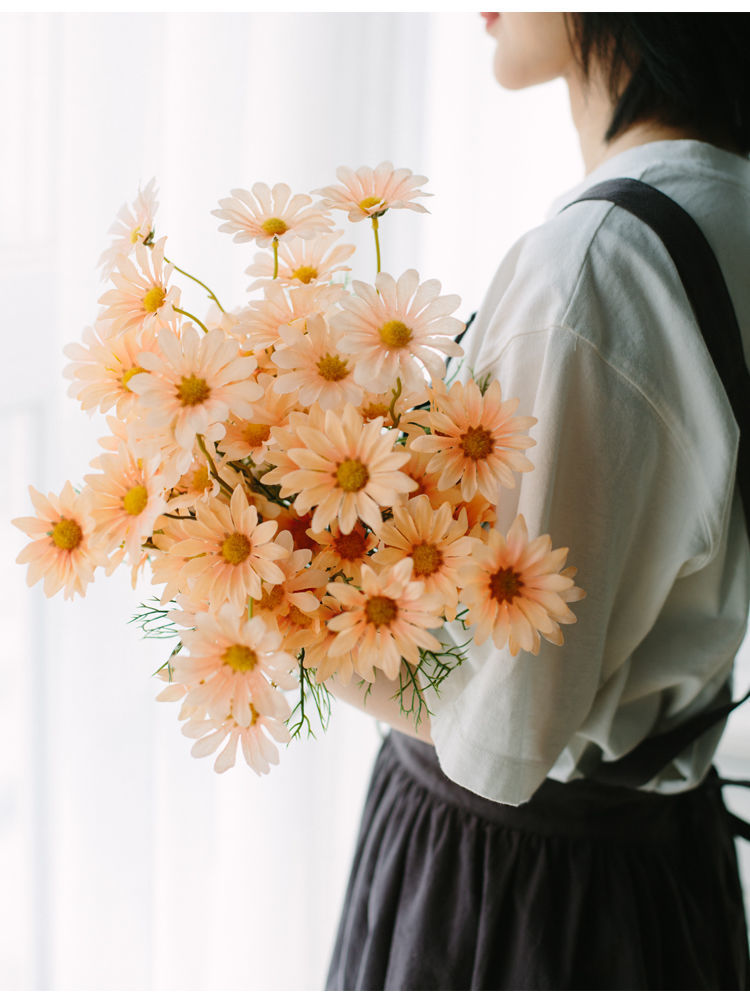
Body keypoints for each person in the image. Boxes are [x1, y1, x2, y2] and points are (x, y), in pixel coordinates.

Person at [324, 13, 750, 990]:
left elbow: (503, 731)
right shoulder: (729, 206)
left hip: (518, 897)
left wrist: (255, 596)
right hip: (661, 869)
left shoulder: (595, 269)